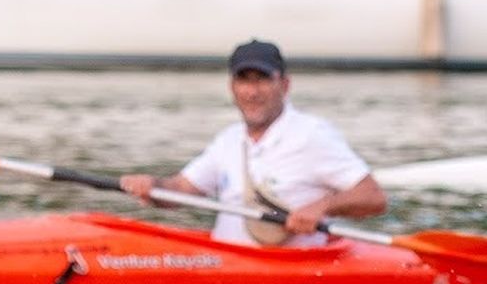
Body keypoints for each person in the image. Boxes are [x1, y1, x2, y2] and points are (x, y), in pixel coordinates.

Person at [117, 39, 387, 247]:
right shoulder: (229, 140)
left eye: (262, 80)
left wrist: (322, 207)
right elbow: (180, 189)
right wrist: (152, 186)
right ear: (232, 87)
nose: (252, 92)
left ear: (285, 84)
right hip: (228, 273)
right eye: (243, 80)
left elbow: (372, 197)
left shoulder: (312, 135)